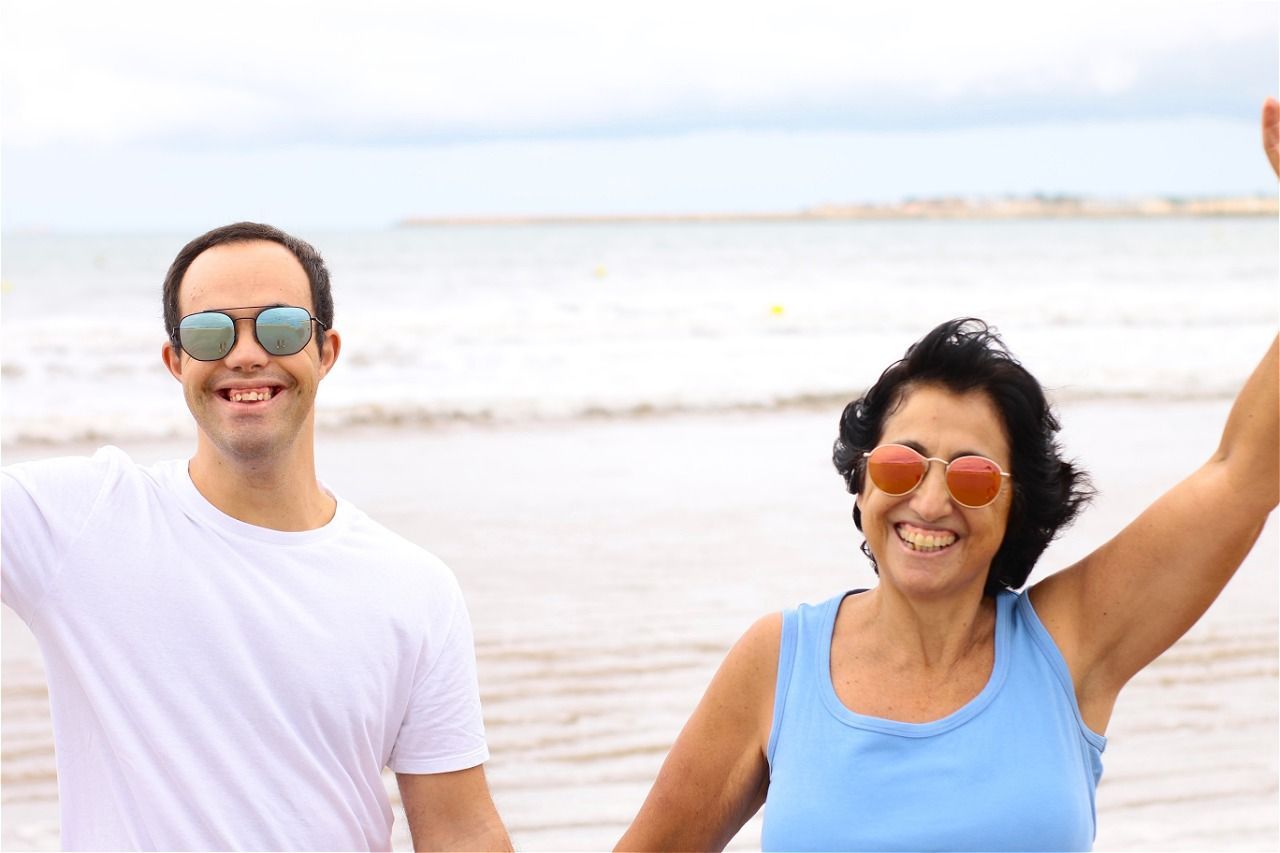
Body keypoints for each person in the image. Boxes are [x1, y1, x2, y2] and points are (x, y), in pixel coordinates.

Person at [616, 99, 1280, 852]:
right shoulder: (778, 660)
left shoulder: (1070, 643)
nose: (930, 500)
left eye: (971, 477)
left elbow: (1244, 474)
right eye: (903, 463)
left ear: (1014, 503)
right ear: (863, 481)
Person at [1, 222, 512, 851]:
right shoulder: (79, 519)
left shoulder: (416, 587)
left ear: (326, 352)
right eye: (211, 332)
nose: (245, 354)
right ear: (176, 360)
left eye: (280, 327)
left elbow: (458, 829)